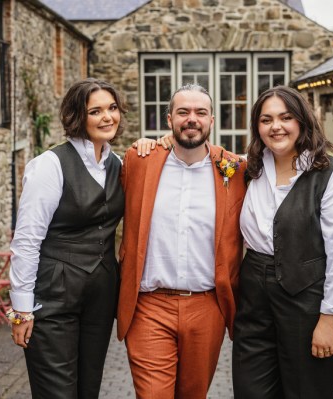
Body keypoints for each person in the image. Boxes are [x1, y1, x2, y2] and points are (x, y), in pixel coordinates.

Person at [232, 86, 333, 399]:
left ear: (303, 122)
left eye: (285, 117)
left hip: (309, 299)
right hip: (254, 300)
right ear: (257, 127)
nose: (275, 126)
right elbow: (199, 157)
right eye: (266, 119)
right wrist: (165, 142)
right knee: (250, 390)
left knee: (308, 391)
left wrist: (329, 321)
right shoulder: (248, 168)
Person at [8, 78, 137, 399]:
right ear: (78, 116)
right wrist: (21, 310)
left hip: (100, 297)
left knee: (88, 388)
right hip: (54, 296)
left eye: (112, 108)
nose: (107, 117)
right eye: (96, 111)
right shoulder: (50, 165)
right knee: (57, 392)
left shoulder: (118, 164)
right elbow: (26, 240)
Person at [117, 83, 247, 398]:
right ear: (169, 119)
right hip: (150, 305)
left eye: (200, 112)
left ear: (212, 120)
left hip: (207, 306)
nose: (192, 119)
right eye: (183, 112)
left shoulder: (234, 170)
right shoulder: (139, 160)